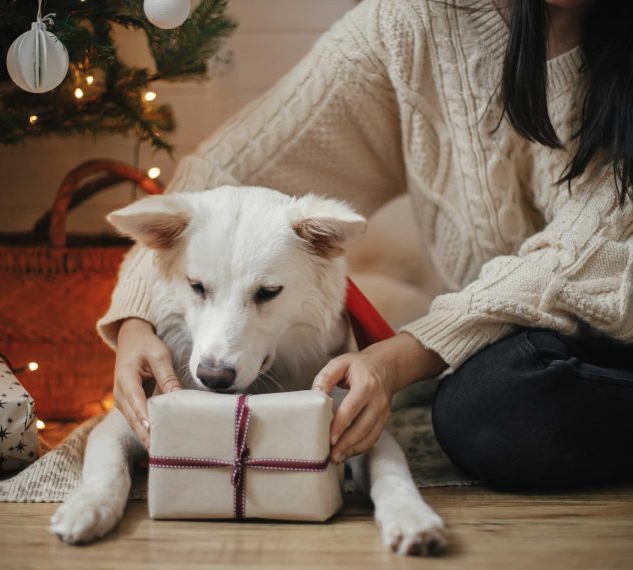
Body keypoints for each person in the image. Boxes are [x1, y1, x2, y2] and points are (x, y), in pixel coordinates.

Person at [97, 0, 633, 485]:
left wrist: (398, 359)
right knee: (486, 403)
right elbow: (220, 176)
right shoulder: (412, 24)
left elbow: (588, 251)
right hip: (518, 340)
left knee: (487, 413)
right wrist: (135, 321)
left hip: (614, 325)